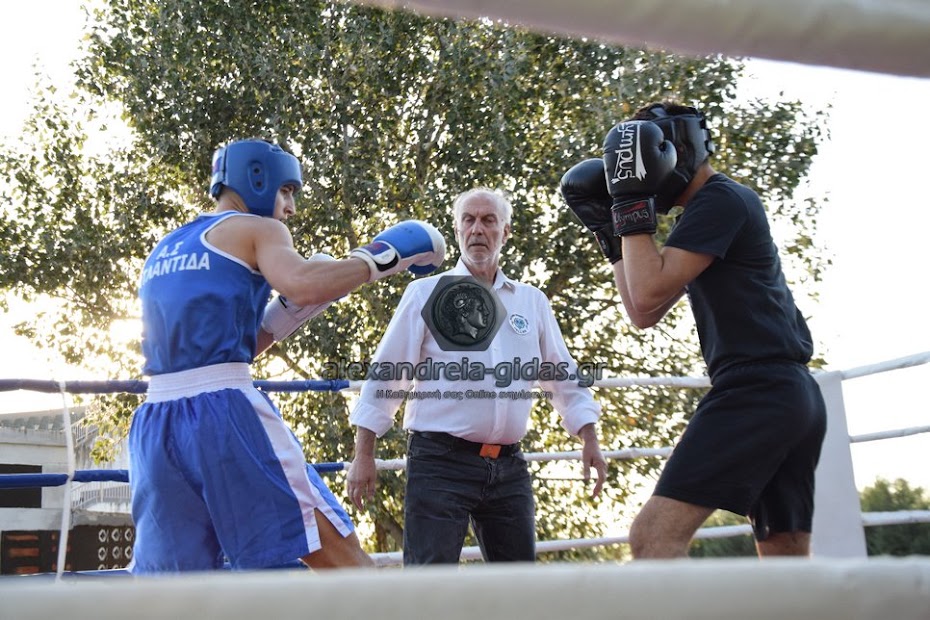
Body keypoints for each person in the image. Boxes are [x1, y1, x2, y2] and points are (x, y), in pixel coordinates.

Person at [128, 138, 446, 573]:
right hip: (225, 415)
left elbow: (226, 350)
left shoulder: (168, 247)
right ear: (258, 179)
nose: (291, 208)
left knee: (176, 587)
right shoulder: (258, 229)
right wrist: (380, 258)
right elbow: (302, 282)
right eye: (287, 191)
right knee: (340, 559)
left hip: (156, 423)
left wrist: (287, 314)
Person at [560, 102, 827, 559]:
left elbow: (646, 293)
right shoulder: (708, 211)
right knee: (786, 556)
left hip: (757, 392)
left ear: (674, 148)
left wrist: (628, 201)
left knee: (652, 537)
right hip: (788, 395)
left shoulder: (722, 200)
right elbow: (643, 311)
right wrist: (611, 231)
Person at [346, 187, 608, 565]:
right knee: (430, 585)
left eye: (488, 220)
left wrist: (590, 438)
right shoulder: (425, 294)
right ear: (457, 231)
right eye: (468, 220)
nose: (477, 229)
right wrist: (363, 455)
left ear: (506, 231)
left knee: (519, 583)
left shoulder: (531, 301)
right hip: (439, 464)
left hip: (509, 468)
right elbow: (387, 374)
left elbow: (562, 375)